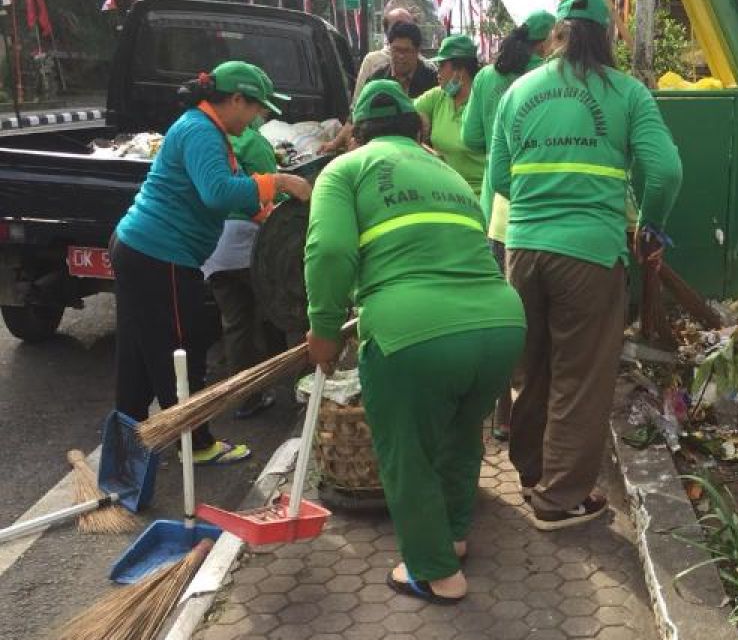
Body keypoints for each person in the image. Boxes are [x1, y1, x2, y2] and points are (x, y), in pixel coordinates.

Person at [305, 80, 525, 603]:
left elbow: (330, 252)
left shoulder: (344, 169)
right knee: (459, 434)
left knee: (408, 451)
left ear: (357, 132)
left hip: (413, 333)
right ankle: (453, 535)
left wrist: (324, 328)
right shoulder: (446, 172)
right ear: (416, 128)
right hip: (500, 326)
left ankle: (435, 572)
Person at [486, 0, 683, 530]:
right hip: (591, 254)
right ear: (606, 35)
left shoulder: (518, 91)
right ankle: (560, 498)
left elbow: (500, 175)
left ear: (557, 34)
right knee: (581, 374)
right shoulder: (627, 93)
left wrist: (541, 195)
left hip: (523, 248)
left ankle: (531, 474)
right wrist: (649, 223)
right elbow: (665, 171)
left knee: (535, 367)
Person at [112, 61, 312, 464]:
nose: (259, 118)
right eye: (257, 108)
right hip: (160, 255)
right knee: (183, 350)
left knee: (138, 352)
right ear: (236, 99)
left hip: (139, 248)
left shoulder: (202, 128)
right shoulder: (201, 131)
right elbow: (217, 193)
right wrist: (281, 182)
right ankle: (197, 444)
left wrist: (270, 218)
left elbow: (222, 196)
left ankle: (127, 441)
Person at [465, 9, 557, 442]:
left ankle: (495, 411)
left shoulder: (486, 78)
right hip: (534, 214)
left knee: (499, 315)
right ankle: (521, 417)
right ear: (547, 42)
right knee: (536, 323)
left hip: (494, 212)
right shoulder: (546, 74)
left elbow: (471, 140)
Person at [201, 116, 287, 419]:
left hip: (213, 247)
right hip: (248, 242)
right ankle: (296, 383)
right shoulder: (254, 142)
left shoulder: (212, 143)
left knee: (235, 322)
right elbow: (270, 194)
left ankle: (245, 398)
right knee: (283, 308)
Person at [322, 21, 438, 154]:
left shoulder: (431, 80)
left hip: (420, 151)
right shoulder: (377, 78)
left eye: (406, 51)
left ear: (417, 51)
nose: (400, 56)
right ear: (389, 48)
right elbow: (355, 117)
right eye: (396, 49)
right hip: (379, 150)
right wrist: (334, 144)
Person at [413, 34, 485, 194]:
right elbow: (403, 113)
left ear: (460, 70)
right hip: (445, 192)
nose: (437, 72)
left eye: (442, 66)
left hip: (479, 195)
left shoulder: (483, 101)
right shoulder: (438, 96)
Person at [353, 7, 417, 100]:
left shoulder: (427, 70)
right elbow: (358, 103)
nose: (401, 57)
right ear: (387, 32)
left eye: (408, 26)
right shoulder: (373, 63)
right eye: (398, 26)